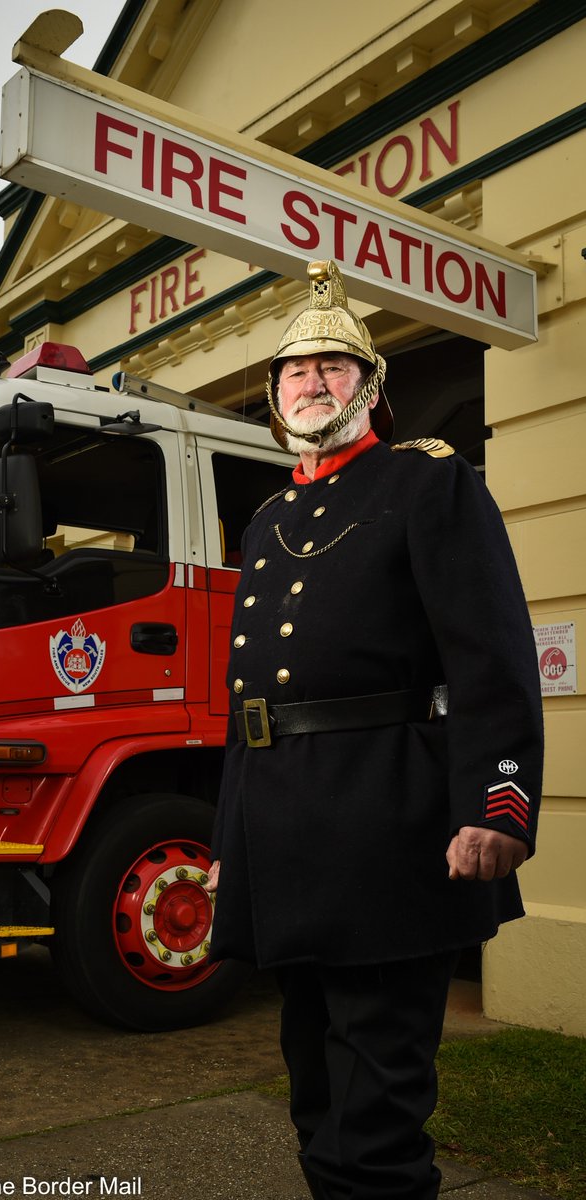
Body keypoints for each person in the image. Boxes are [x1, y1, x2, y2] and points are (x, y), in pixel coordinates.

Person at [205, 260, 543, 1200]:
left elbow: (492, 660)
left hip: (388, 826)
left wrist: (497, 805)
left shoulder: (427, 483)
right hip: (284, 833)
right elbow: (248, 703)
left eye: (332, 368)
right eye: (294, 372)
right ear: (274, 398)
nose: (311, 383)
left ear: (370, 390)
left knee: (378, 1104)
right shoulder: (269, 516)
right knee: (313, 1084)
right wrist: (231, 839)